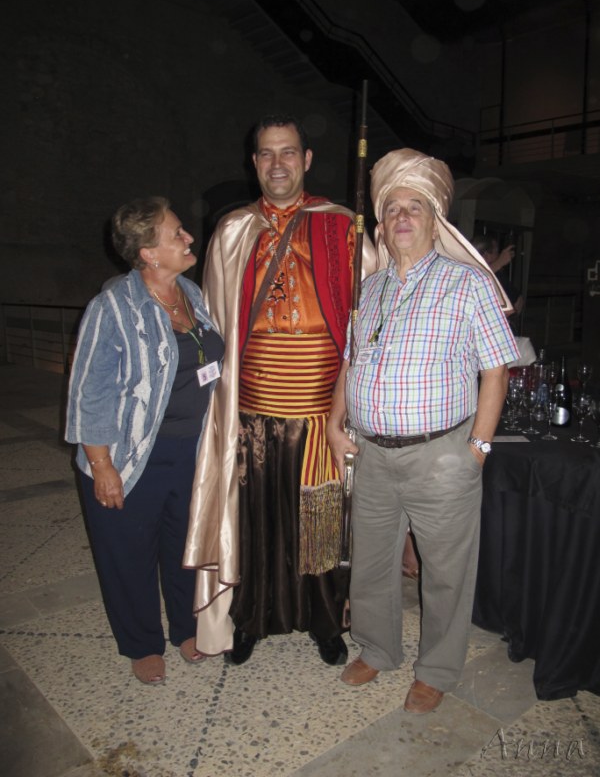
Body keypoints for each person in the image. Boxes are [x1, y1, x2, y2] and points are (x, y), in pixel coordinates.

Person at [326, 149, 519, 713]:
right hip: (372, 454)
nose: (402, 216)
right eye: (392, 208)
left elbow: (496, 370)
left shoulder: (468, 283)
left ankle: (436, 669)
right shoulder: (370, 289)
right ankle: (377, 649)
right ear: (382, 226)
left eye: (415, 206)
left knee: (446, 574)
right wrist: (335, 422)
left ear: (436, 221)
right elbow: (351, 360)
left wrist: (477, 448)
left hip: (442, 455)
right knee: (372, 564)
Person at [183, 114, 378, 666]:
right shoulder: (233, 230)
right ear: (254, 163)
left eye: (288, 152)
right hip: (252, 410)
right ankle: (251, 617)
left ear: (306, 160)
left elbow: (373, 318)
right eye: (266, 153)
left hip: (322, 410)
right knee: (256, 521)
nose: (277, 164)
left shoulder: (343, 226)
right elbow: (214, 320)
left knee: (320, 520)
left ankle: (325, 619)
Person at [65, 197, 223, 685]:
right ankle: (141, 643)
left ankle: (186, 627)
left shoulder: (191, 293)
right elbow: (89, 391)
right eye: (177, 234)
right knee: (128, 554)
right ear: (148, 253)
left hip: (190, 450)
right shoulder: (112, 306)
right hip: (130, 455)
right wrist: (102, 465)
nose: (189, 238)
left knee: (182, 546)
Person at [472, 233, 524, 317]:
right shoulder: (477, 273)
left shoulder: (495, 273)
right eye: (496, 252)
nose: (499, 255)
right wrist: (499, 262)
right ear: (486, 255)